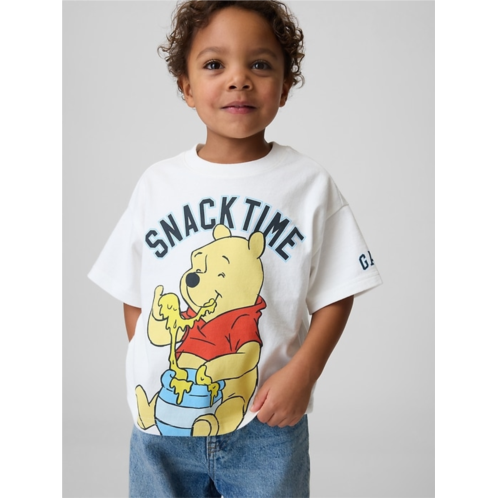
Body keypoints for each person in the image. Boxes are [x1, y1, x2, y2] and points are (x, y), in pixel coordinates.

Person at [88, 0, 383, 496]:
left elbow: (339, 290)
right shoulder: (158, 184)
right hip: (164, 424)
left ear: (285, 86)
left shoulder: (308, 184)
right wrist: (159, 355)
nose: (239, 79)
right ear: (186, 87)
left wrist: (303, 374)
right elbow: (133, 291)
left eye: (260, 64)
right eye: (214, 64)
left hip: (266, 422)